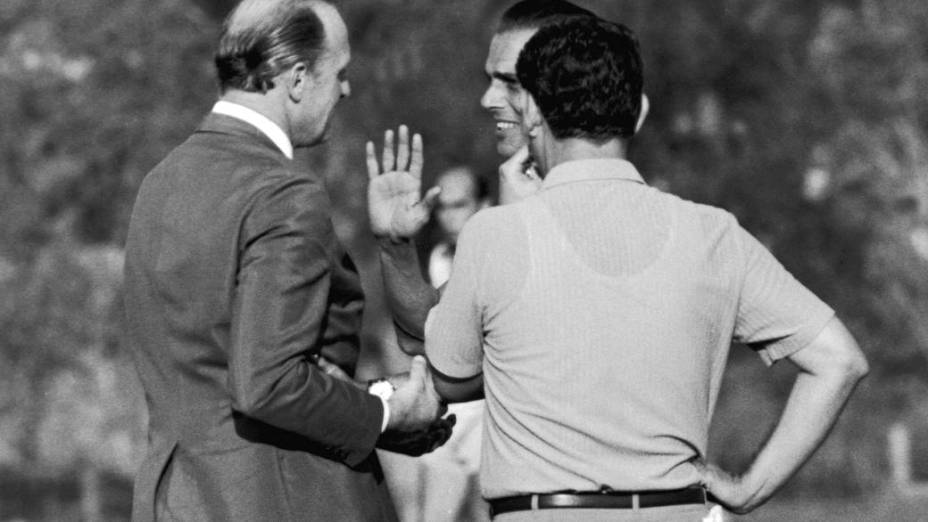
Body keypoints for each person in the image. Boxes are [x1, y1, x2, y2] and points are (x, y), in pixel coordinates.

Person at [368, 10, 869, 522]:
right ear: (637, 112)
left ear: (535, 114)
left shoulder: (495, 234)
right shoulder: (713, 234)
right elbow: (839, 361)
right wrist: (748, 488)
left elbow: (451, 376)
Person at [123, 1, 447, 520]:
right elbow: (268, 384)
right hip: (281, 499)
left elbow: (223, 366)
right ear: (297, 78)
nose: (344, 90)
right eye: (338, 74)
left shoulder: (160, 182)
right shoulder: (283, 192)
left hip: (176, 500)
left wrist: (368, 402)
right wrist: (386, 412)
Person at [378, 165, 490, 522]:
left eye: (460, 204)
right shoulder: (440, 256)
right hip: (448, 403)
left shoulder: (498, 253)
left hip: (488, 404)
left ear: (483, 204)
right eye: (443, 207)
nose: (449, 215)